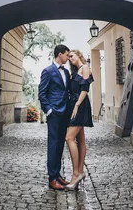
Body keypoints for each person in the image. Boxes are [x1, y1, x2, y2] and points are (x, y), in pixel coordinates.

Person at [38, 44, 71, 190]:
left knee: (60, 145)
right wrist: (49, 110)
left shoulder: (66, 72)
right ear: (59, 54)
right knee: (53, 144)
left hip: (65, 113)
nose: (68, 57)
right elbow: (42, 94)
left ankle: (57, 175)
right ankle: (52, 178)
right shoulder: (48, 71)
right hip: (54, 113)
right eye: (66, 54)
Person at [64, 50, 94, 191]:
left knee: (69, 138)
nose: (70, 59)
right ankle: (80, 172)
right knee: (80, 139)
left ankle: (76, 174)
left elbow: (85, 88)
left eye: (72, 56)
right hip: (74, 105)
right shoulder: (76, 71)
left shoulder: (85, 68)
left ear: (79, 55)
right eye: (68, 57)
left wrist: (77, 104)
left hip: (80, 106)